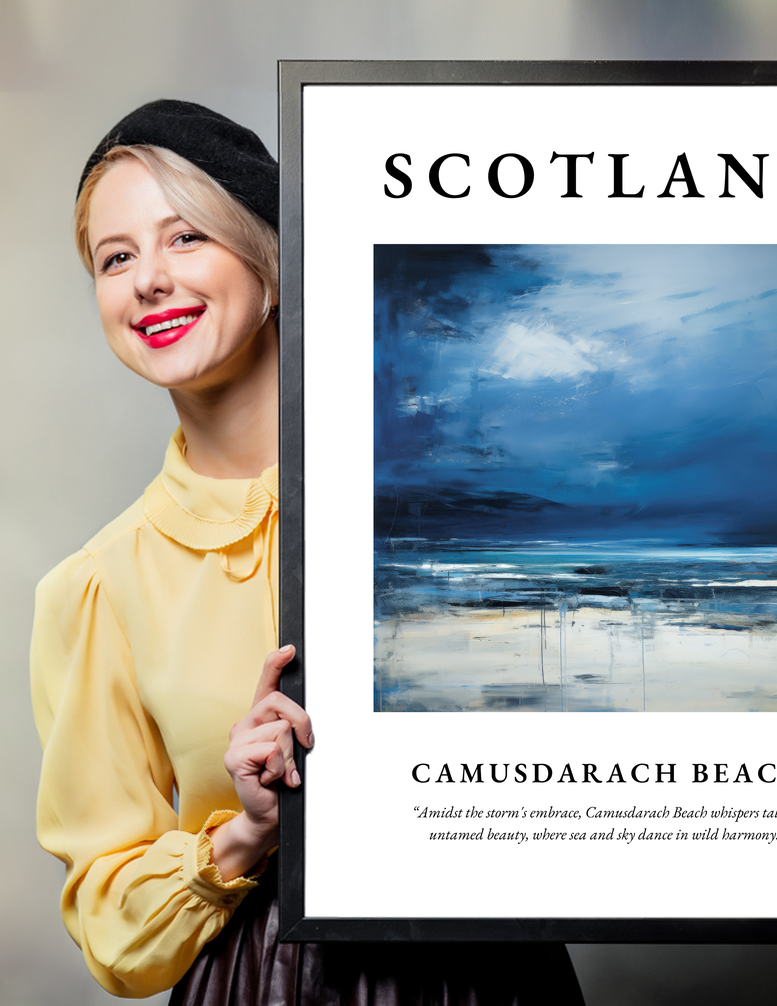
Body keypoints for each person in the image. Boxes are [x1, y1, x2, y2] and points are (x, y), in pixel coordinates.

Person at [30, 100, 585, 1004]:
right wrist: (245, 832)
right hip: (262, 982)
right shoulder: (97, 587)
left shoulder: (453, 497)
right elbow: (110, 924)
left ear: (273, 264)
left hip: (491, 973)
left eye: (186, 239)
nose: (148, 281)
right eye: (116, 257)